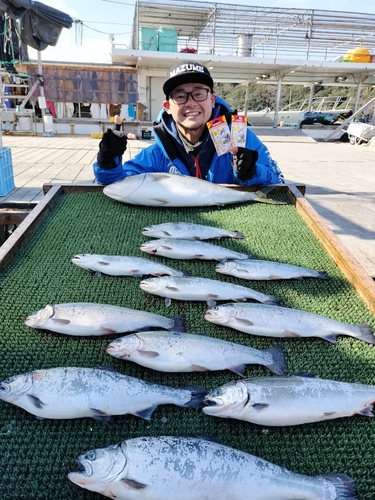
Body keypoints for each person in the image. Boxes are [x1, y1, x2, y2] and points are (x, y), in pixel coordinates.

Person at [93, 61, 284, 186]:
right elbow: (121, 183)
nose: (191, 102)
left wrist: (253, 172)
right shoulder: (159, 152)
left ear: (212, 99)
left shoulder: (238, 137)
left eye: (199, 93)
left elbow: (277, 180)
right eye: (180, 95)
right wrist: (108, 162)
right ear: (168, 106)